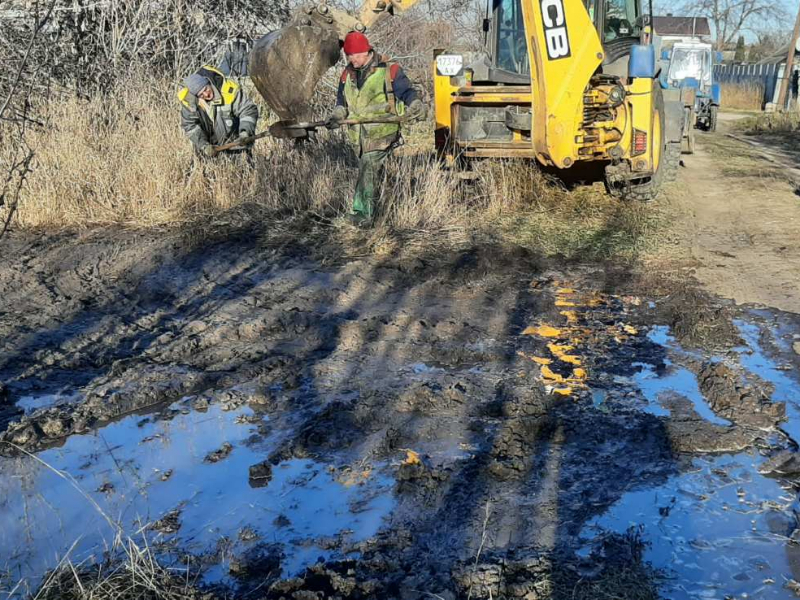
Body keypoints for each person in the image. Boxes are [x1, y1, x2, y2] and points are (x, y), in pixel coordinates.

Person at [326, 31, 427, 225]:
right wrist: (337, 116)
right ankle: (380, 207)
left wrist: (415, 105)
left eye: (355, 54)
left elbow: (407, 93)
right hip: (359, 137)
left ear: (367, 51)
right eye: (348, 55)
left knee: (368, 167)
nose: (351, 59)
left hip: (382, 132)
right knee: (368, 169)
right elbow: (341, 103)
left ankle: (363, 215)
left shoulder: (390, 70)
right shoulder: (347, 75)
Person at [178, 65, 258, 158]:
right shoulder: (190, 104)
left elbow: (248, 109)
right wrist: (204, 146)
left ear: (209, 82)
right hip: (207, 152)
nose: (206, 94)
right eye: (201, 95)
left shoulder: (228, 91)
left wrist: (245, 133)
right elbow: (190, 126)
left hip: (236, 148)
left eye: (206, 89)